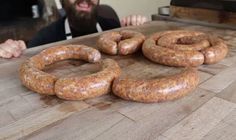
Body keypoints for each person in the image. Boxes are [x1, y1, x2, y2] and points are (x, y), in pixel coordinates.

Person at [0, 0, 148, 59]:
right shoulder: (45, 37)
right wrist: (11, 50)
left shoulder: (113, 25)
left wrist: (139, 27)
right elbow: (24, 55)